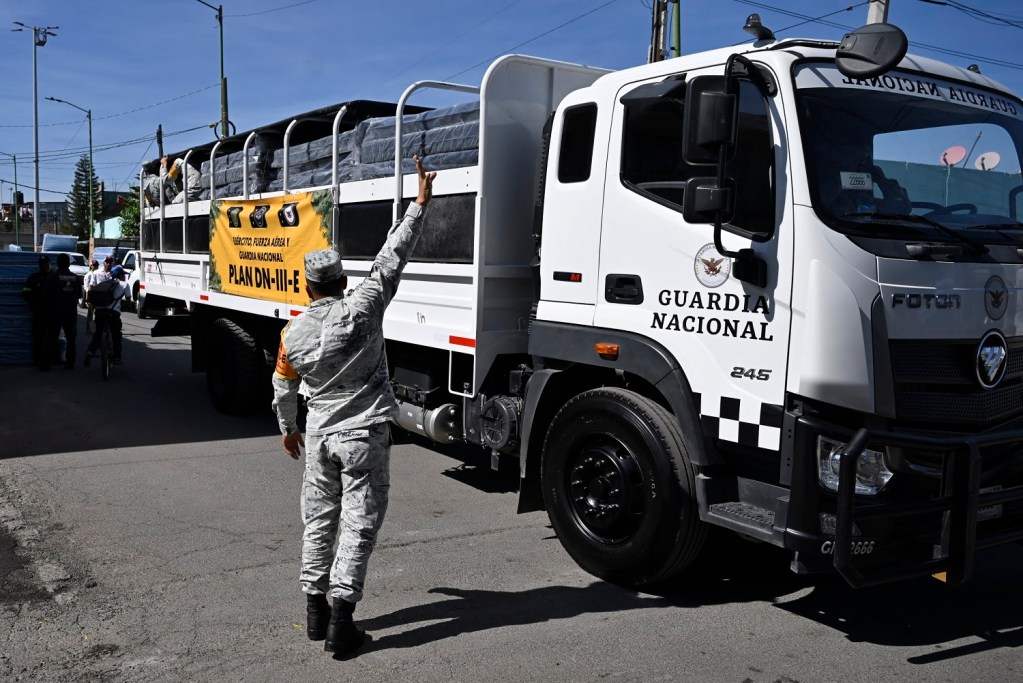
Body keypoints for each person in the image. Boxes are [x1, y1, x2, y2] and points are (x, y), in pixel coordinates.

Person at [271, 155, 436, 658]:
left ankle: (314, 610)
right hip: (363, 435)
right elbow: (392, 257)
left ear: (307, 286)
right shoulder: (363, 307)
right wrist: (418, 205)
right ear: (342, 281)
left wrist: (288, 428)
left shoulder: (291, 333)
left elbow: (282, 386)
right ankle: (343, 622)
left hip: (318, 434)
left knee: (319, 519)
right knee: (359, 523)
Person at [41, 252, 82, 371]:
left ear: (58, 263)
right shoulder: (74, 277)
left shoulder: (53, 276)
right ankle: (70, 363)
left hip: (55, 312)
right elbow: (79, 294)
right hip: (70, 312)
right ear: (69, 264)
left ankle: (47, 364)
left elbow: (45, 294)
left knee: (51, 338)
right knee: (71, 338)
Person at [84, 265, 131, 366]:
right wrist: (127, 307)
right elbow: (128, 301)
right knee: (116, 335)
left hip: (100, 312)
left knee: (98, 333)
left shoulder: (104, 283)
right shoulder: (125, 285)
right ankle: (117, 357)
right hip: (113, 314)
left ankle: (90, 351)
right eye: (123, 275)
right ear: (120, 275)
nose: (124, 277)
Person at [21, 255, 51, 366]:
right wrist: (34, 304)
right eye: (43, 264)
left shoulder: (54, 277)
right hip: (38, 313)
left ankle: (49, 359)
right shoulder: (33, 278)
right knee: (38, 337)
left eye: (47, 264)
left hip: (52, 314)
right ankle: (38, 359)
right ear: (39, 265)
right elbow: (25, 292)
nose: (45, 266)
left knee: (51, 337)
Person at [82, 259, 99, 333]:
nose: (95, 267)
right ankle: (88, 328)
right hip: (91, 295)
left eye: (96, 265)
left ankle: (96, 328)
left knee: (98, 313)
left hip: (98, 295)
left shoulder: (99, 273)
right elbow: (86, 287)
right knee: (90, 313)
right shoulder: (88, 275)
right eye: (94, 265)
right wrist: (87, 297)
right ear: (91, 266)